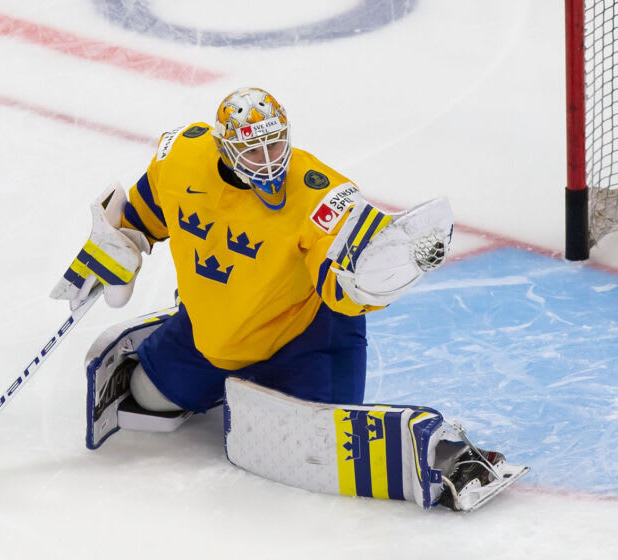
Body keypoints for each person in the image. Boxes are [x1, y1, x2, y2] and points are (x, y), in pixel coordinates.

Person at [50, 87, 527, 512]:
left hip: (304, 338)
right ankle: (179, 335)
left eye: (275, 143)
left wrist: (375, 276)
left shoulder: (321, 193)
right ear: (222, 146)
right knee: (146, 398)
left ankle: (446, 457)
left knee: (318, 438)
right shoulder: (184, 154)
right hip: (211, 328)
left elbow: (345, 274)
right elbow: (148, 206)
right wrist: (120, 240)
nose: (269, 159)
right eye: (252, 150)